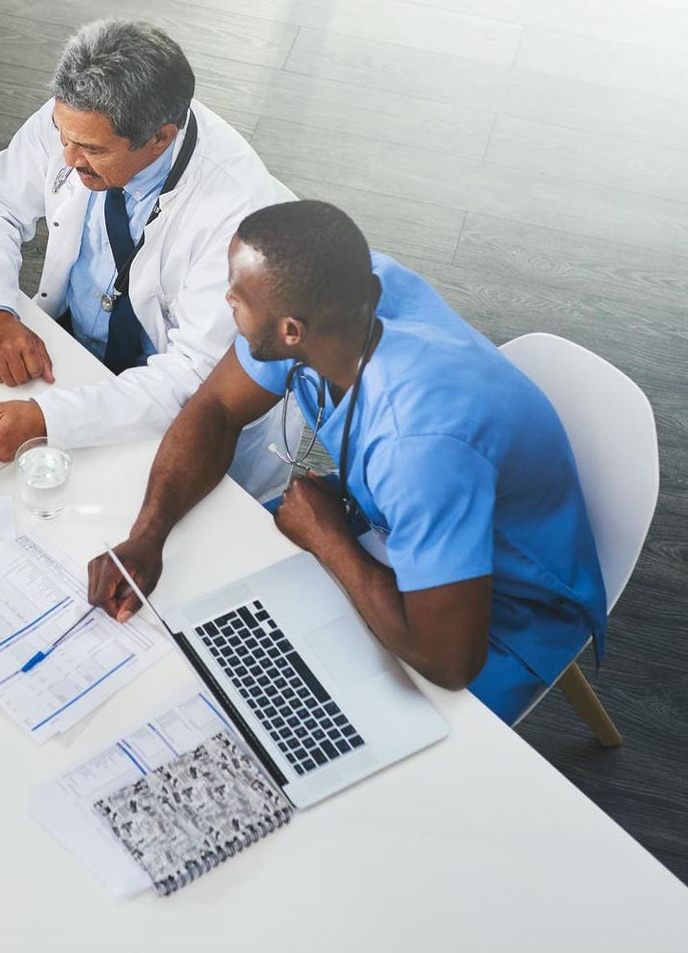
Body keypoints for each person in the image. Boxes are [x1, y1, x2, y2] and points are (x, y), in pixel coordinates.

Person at [86, 201, 609, 721]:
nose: (226, 298)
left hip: (503, 613)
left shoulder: (417, 449)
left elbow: (451, 662)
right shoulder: (341, 293)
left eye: (236, 295)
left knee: (293, 718)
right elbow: (218, 407)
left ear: (292, 331)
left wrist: (328, 538)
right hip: (386, 525)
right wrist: (148, 535)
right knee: (209, 633)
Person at [0, 20, 295, 499]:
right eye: (61, 135)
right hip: (77, 357)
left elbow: (197, 377)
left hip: (185, 407)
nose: (67, 159)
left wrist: (51, 419)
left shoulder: (242, 219)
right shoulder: (77, 119)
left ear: (160, 138)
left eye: (91, 149)